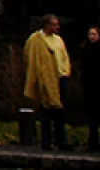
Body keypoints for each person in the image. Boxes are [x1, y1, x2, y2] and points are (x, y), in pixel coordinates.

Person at [24, 14, 71, 150]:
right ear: (47, 25)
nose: (57, 27)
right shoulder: (36, 39)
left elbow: (64, 56)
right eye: (54, 25)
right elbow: (29, 58)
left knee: (60, 111)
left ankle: (61, 140)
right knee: (46, 110)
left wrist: (65, 72)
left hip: (60, 77)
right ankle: (46, 140)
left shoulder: (58, 40)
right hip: (45, 78)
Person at [82, 26, 100, 151]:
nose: (92, 36)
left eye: (94, 34)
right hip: (90, 87)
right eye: (90, 34)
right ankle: (93, 142)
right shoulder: (85, 50)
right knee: (92, 117)